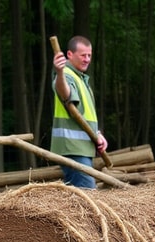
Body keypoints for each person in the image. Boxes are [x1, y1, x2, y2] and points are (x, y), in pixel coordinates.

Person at [51, 35, 107, 189]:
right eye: (83, 55)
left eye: (89, 55)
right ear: (70, 54)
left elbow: (84, 115)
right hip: (73, 149)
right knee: (88, 196)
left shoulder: (81, 79)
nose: (87, 59)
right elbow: (64, 92)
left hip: (82, 149)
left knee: (78, 201)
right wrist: (60, 72)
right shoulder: (66, 76)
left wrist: (98, 135)